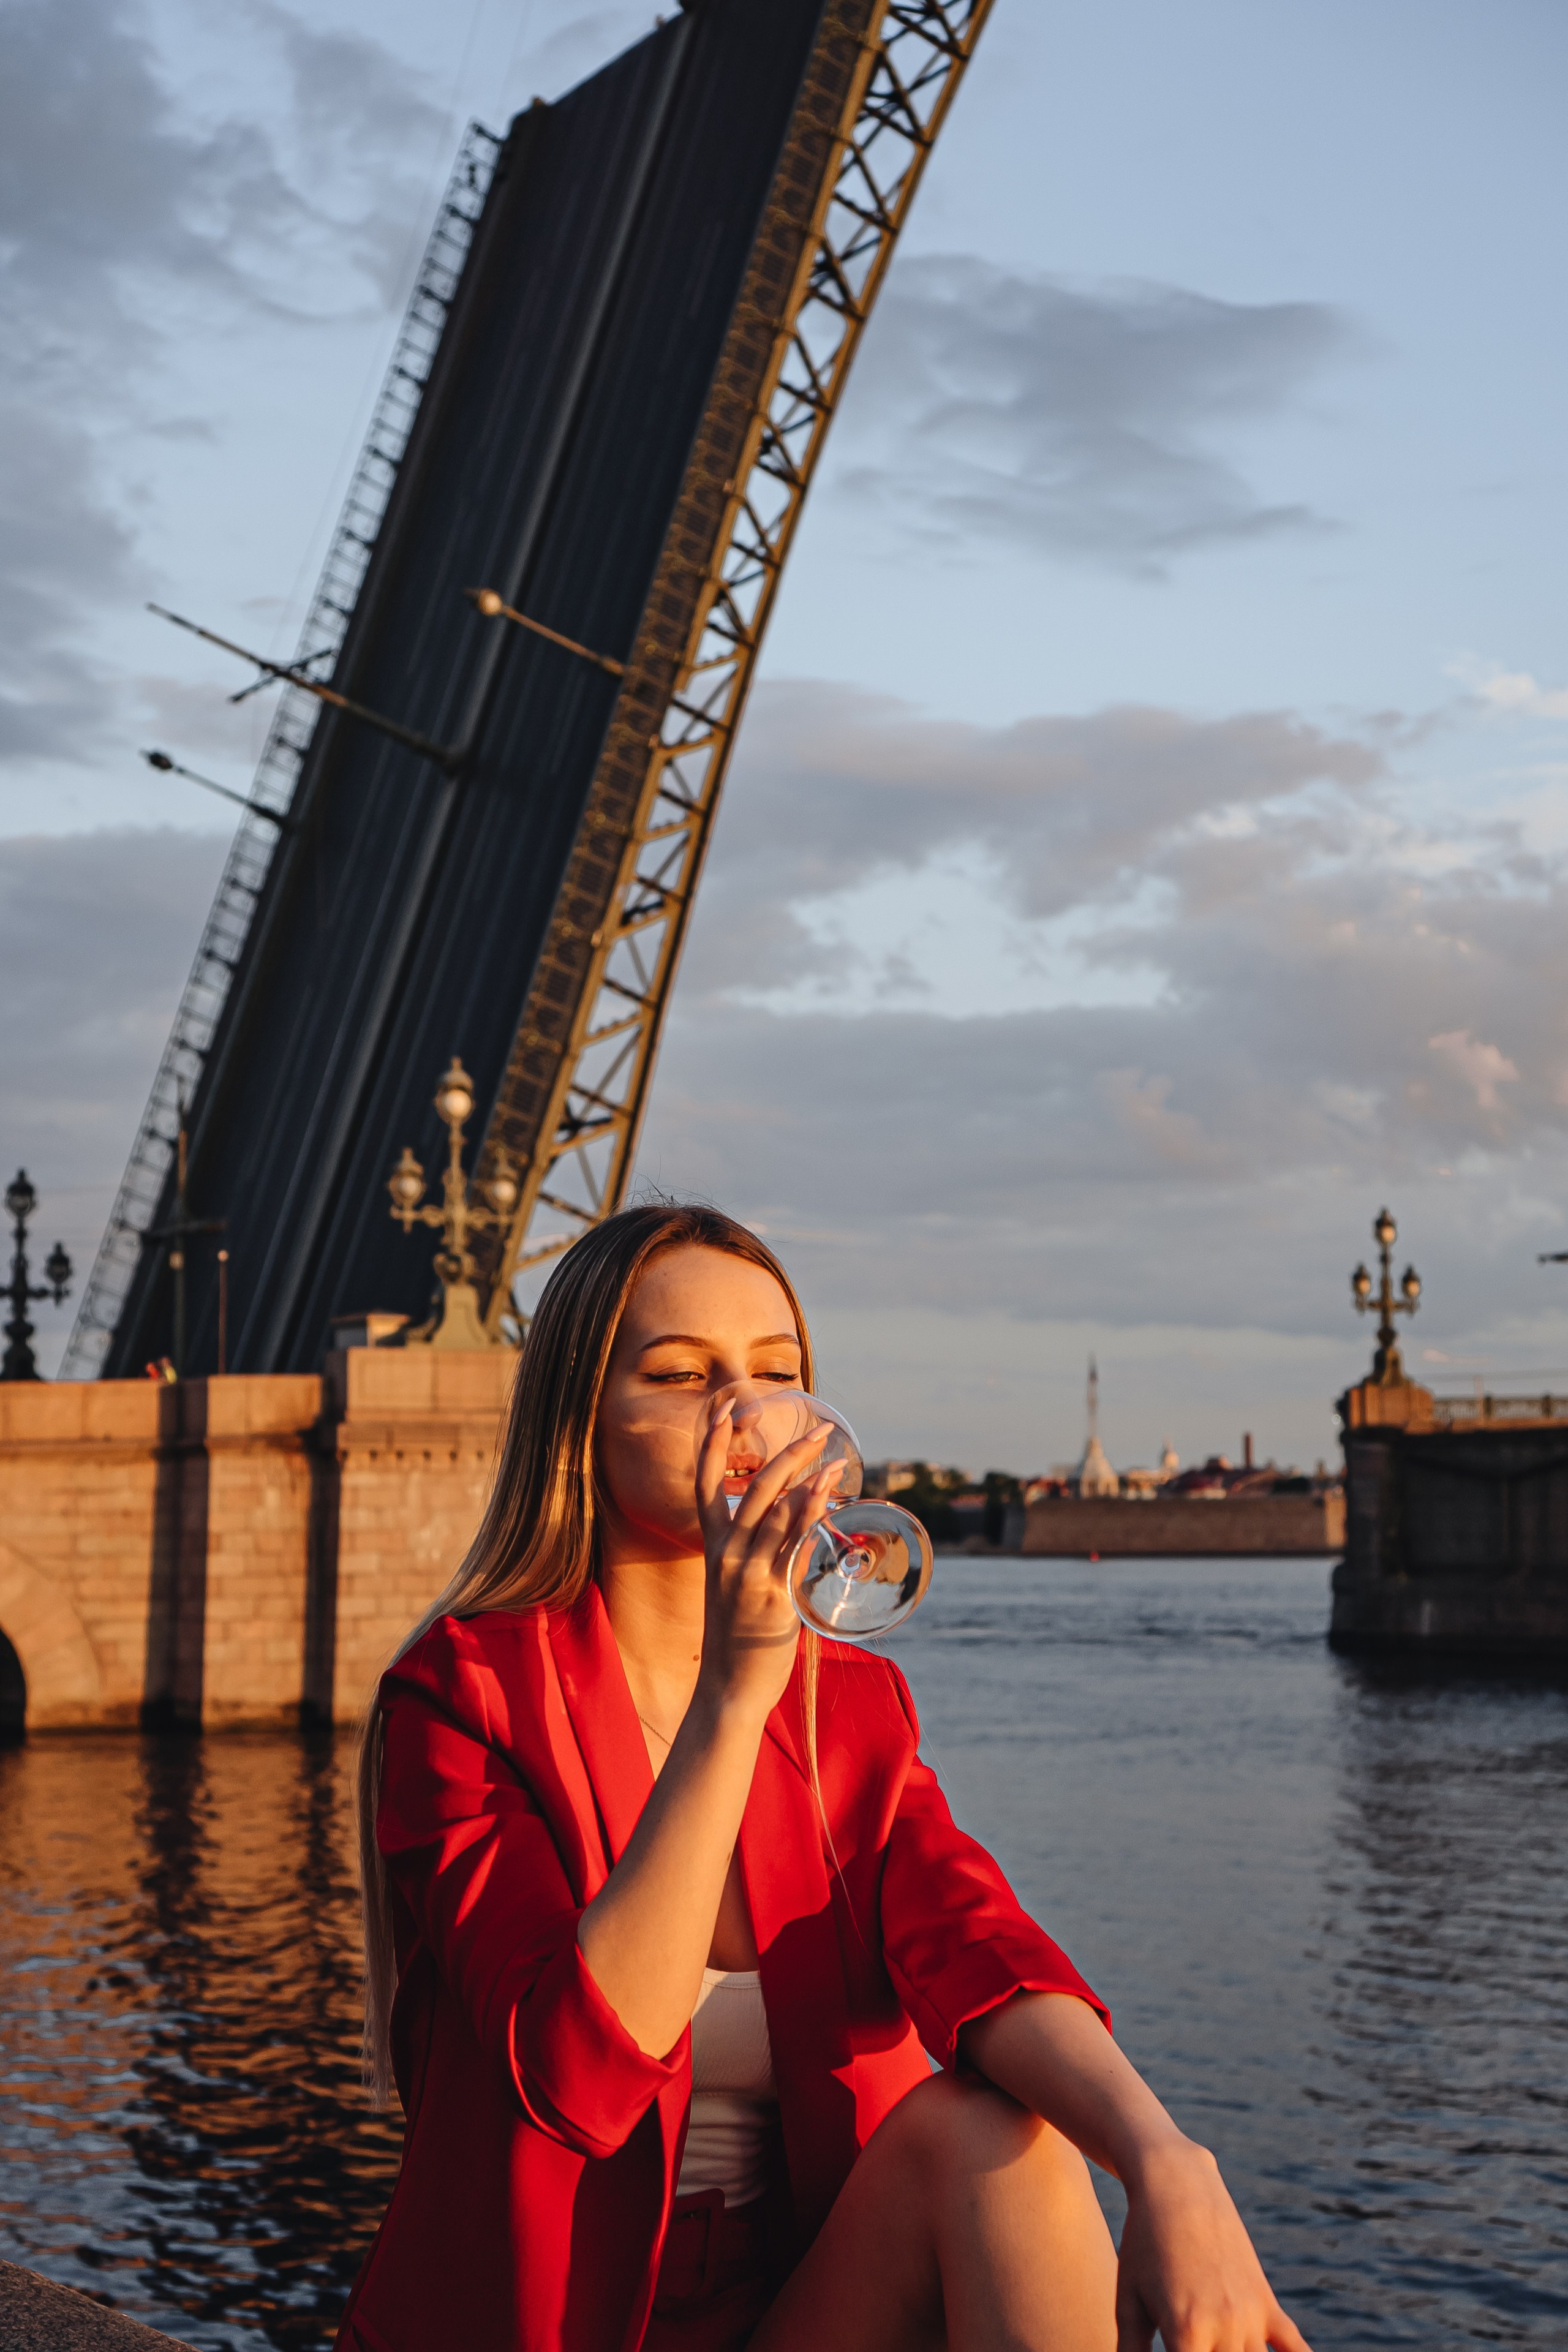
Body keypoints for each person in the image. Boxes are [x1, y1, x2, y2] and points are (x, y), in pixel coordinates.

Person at [339, 1202, 1310, 2352]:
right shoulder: (467, 1698)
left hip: (794, 2319)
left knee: (1003, 2134)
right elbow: (581, 2078)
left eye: (776, 1372)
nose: (746, 1417)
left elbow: (979, 1942)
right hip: (535, 2329)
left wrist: (1167, 2161)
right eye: (684, 1375)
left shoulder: (850, 1706)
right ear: (582, 1421)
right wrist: (734, 1697)